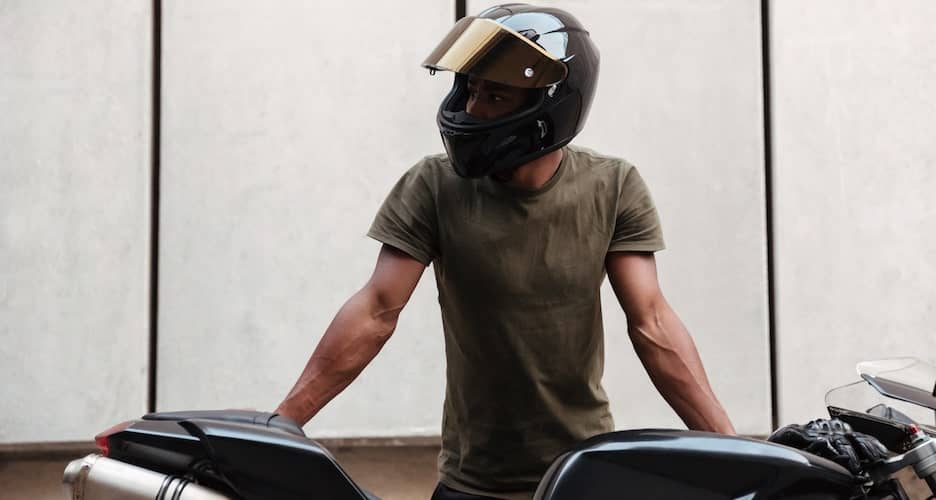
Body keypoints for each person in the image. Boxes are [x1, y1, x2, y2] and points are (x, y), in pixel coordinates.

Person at [276, 4, 735, 499]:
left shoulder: (613, 186)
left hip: (577, 476)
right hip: (472, 482)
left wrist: (736, 452)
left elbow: (652, 322)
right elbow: (376, 309)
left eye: (494, 95)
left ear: (549, 106)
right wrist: (281, 426)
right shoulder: (433, 185)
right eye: (470, 90)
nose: (473, 110)